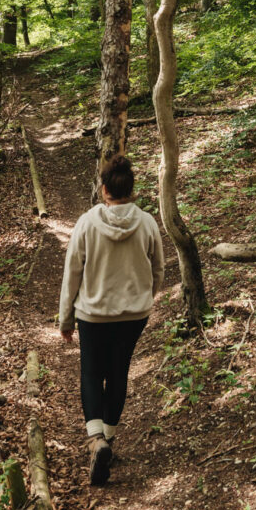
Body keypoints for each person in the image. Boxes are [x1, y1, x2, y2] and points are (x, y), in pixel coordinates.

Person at [59, 154, 165, 485]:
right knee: (118, 372)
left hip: (93, 314)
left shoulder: (88, 223)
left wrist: (66, 319)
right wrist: (145, 297)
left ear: (104, 190)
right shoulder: (147, 222)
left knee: (92, 371)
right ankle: (109, 439)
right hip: (134, 314)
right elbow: (158, 268)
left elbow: (72, 273)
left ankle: (96, 440)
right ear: (130, 190)